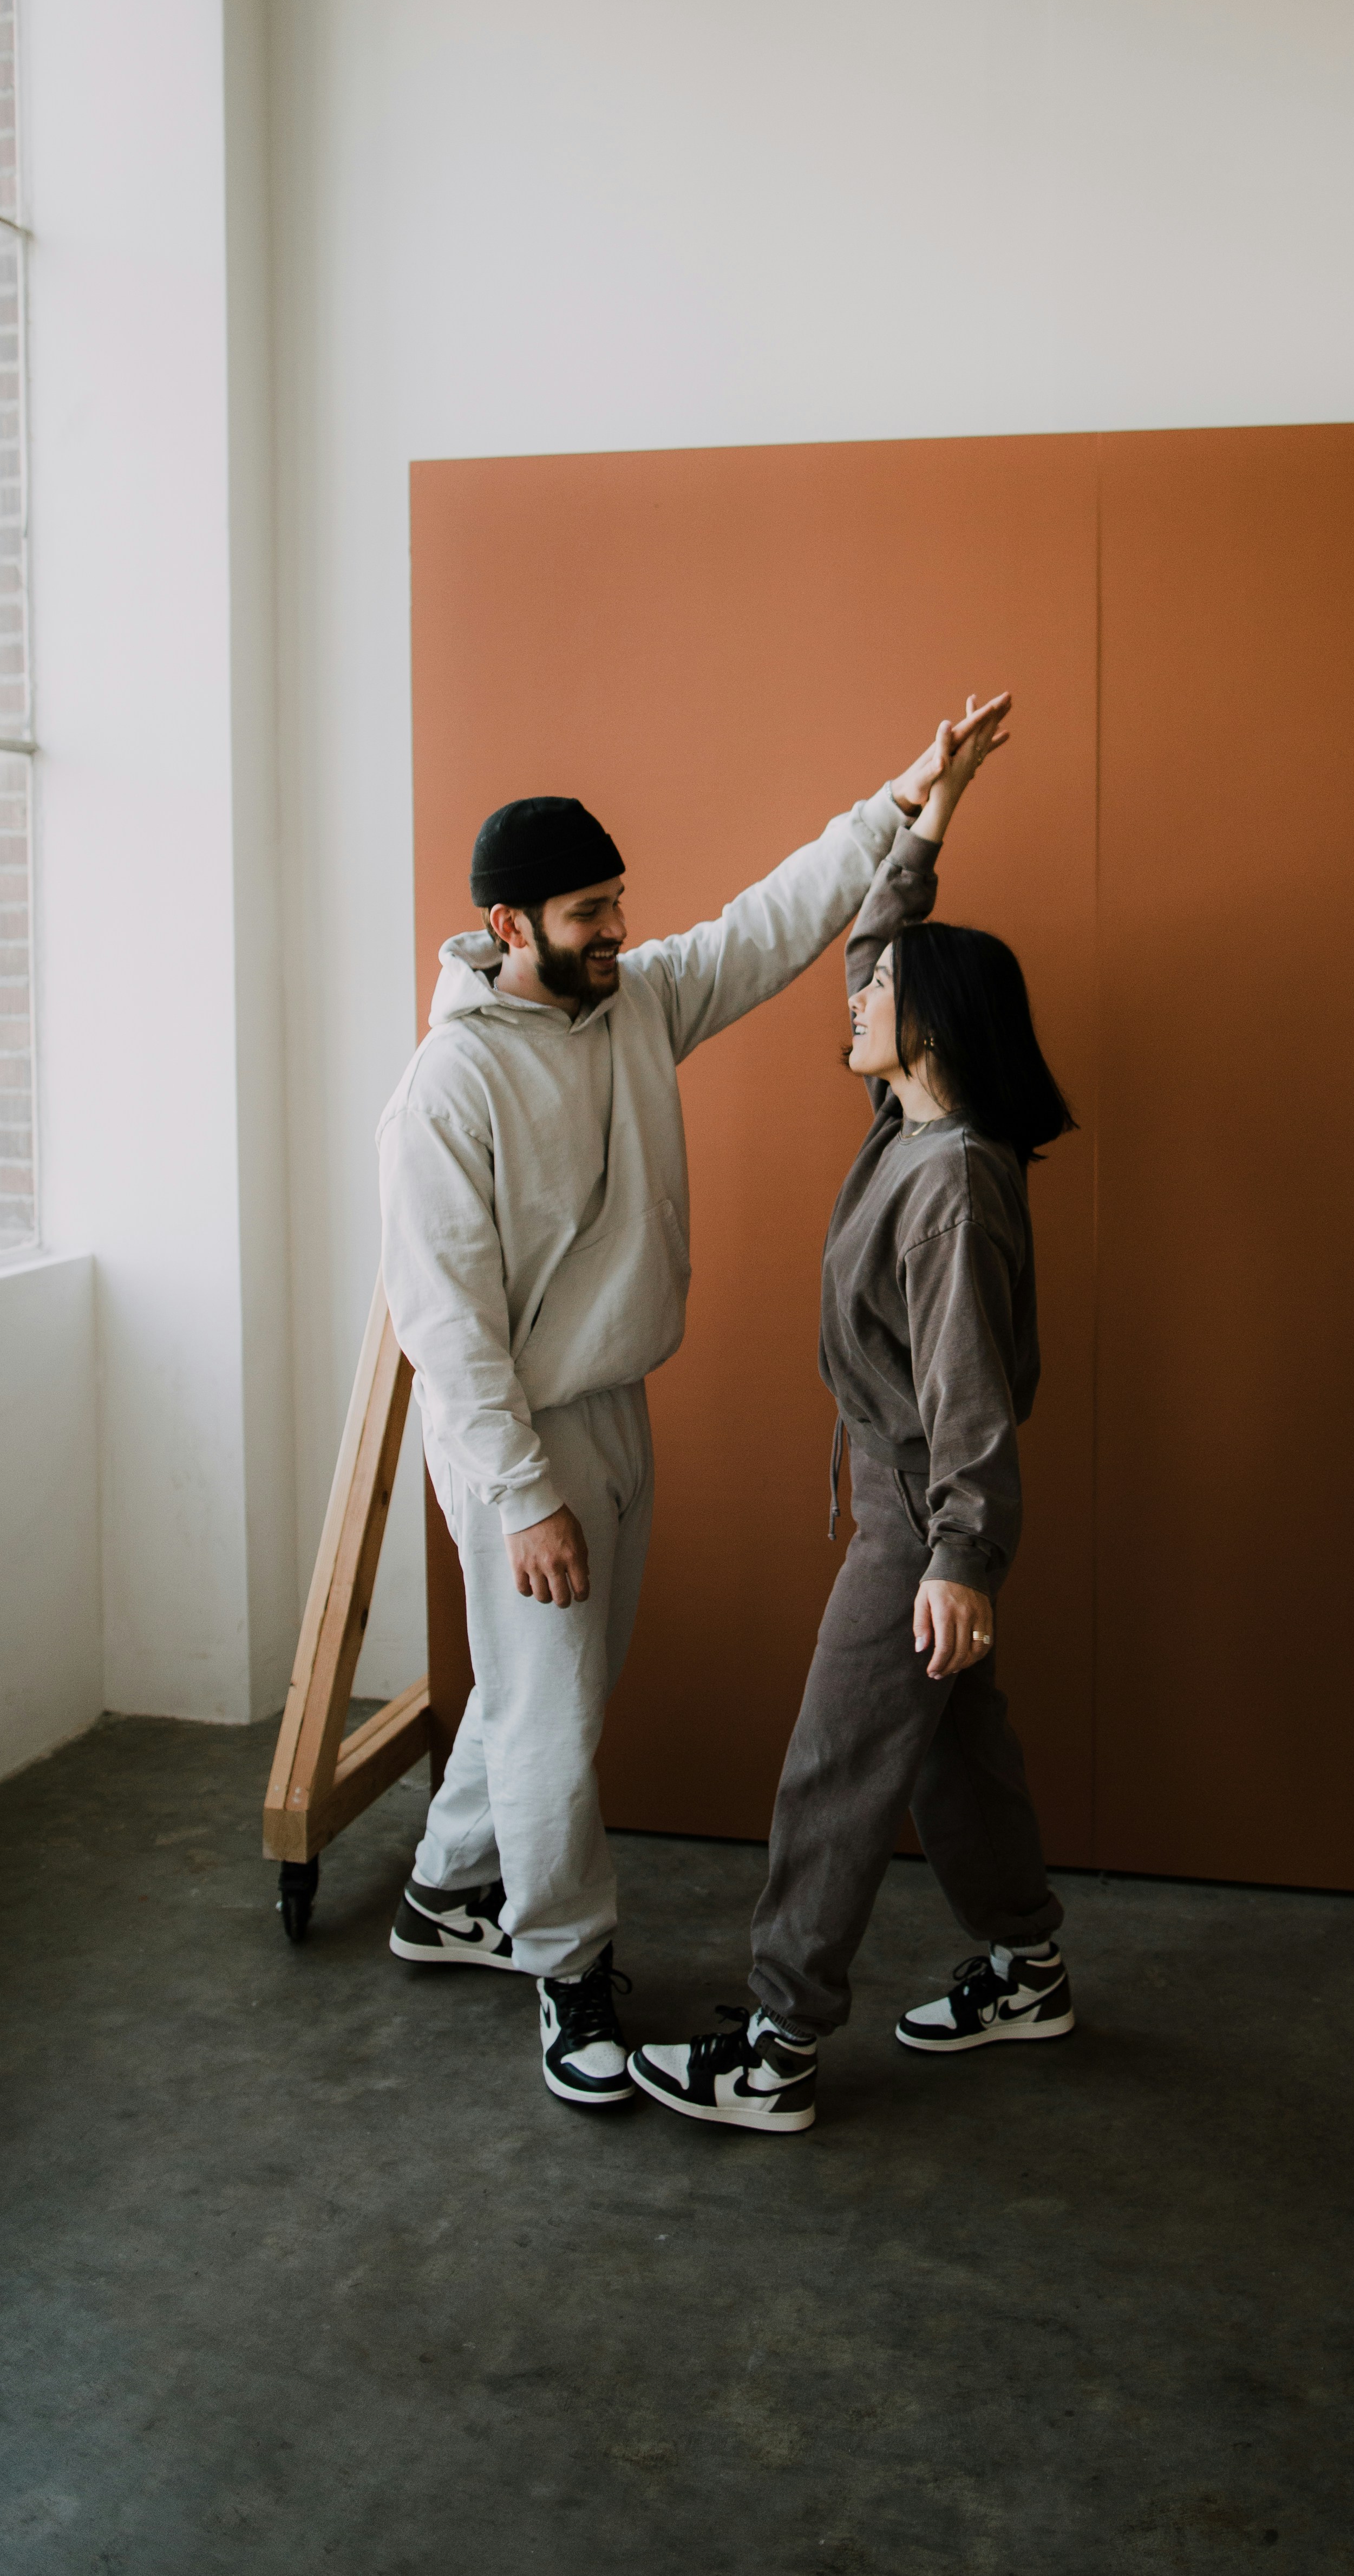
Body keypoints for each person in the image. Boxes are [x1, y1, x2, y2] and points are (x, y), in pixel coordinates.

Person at [378, 700, 1010, 2109]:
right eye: (588, 910)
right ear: (505, 921)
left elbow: (773, 920)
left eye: (618, 903)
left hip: (614, 1404)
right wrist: (523, 1493)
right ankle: (566, 1970)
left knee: (548, 1684)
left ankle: (439, 1893)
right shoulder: (447, 1085)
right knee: (553, 1716)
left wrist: (902, 798)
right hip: (520, 1436)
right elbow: (443, 1323)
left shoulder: (637, 1000)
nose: (616, 927)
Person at [629, 698, 1076, 2133]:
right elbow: (878, 935)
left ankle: (773, 2045)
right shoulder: (911, 1126)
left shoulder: (946, 1179)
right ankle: (1027, 1963)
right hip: (906, 1502)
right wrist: (932, 804)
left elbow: (969, 1403)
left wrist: (957, 1560)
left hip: (916, 1513)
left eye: (871, 1000)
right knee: (949, 1752)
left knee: (834, 1767)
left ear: (923, 1028)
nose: (851, 998)